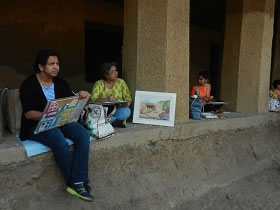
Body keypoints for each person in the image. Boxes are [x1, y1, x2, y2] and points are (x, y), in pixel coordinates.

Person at [19, 49, 94, 202]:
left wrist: (81, 97)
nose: (56, 67)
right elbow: (28, 113)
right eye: (51, 64)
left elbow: (69, 104)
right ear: (41, 67)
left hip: (60, 121)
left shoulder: (61, 83)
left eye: (57, 64)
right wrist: (51, 116)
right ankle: (75, 183)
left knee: (82, 135)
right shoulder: (29, 84)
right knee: (58, 139)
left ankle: (78, 180)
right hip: (36, 126)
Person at [90, 62, 132, 128]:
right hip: (103, 111)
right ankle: (114, 121)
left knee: (126, 111)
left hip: (116, 109)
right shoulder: (98, 84)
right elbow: (92, 100)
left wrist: (126, 103)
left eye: (116, 70)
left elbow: (128, 98)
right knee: (95, 113)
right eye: (112, 71)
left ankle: (109, 121)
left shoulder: (121, 82)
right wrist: (107, 99)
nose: (116, 73)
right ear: (105, 74)